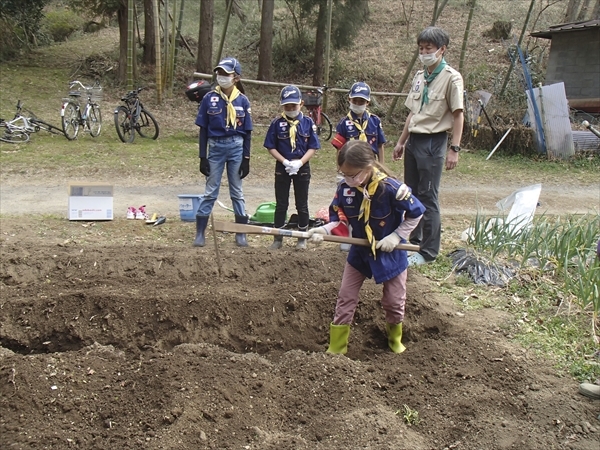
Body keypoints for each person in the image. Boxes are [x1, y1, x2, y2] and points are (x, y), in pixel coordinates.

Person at [306, 140, 425, 355]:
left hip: (390, 252)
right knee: (346, 296)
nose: (349, 180)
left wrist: (397, 236)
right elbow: (339, 219)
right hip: (360, 252)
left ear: (368, 168)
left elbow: (416, 212)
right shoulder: (344, 189)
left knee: (394, 300)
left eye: (353, 175)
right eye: (344, 174)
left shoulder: (391, 189)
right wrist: (324, 231)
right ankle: (337, 348)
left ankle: (394, 340)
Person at [392, 26, 464, 266]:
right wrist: (402, 141)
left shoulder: (451, 78)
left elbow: (457, 115)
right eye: (421, 48)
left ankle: (429, 251)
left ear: (441, 50)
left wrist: (454, 148)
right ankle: (414, 239)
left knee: (428, 196)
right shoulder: (420, 76)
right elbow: (413, 112)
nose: (424, 53)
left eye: (428, 49)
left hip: (434, 142)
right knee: (410, 194)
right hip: (414, 140)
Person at [193, 57, 253, 248]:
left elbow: (248, 133)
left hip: (236, 146)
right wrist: (203, 156)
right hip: (216, 147)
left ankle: (241, 233)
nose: (221, 77)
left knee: (237, 191)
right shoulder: (209, 98)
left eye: (226, 74)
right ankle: (200, 233)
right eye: (219, 73)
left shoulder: (243, 101)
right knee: (211, 191)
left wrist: (246, 158)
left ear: (236, 77)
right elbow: (203, 129)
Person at [263, 85, 320, 250]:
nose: (290, 109)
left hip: (302, 167)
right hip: (283, 168)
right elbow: (271, 146)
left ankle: (302, 237)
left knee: (302, 203)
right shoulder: (277, 123)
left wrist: (300, 162)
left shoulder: (308, 123)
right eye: (287, 106)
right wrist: (285, 162)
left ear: (301, 104)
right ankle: (278, 237)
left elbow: (313, 147)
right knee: (281, 203)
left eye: (293, 106)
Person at [331, 81, 387, 162]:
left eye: (361, 101)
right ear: (349, 99)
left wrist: (382, 167)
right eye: (355, 101)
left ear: (367, 102)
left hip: (371, 163)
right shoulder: (343, 123)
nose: (357, 104)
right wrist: (340, 170)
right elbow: (340, 148)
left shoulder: (375, 121)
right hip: (351, 163)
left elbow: (380, 146)